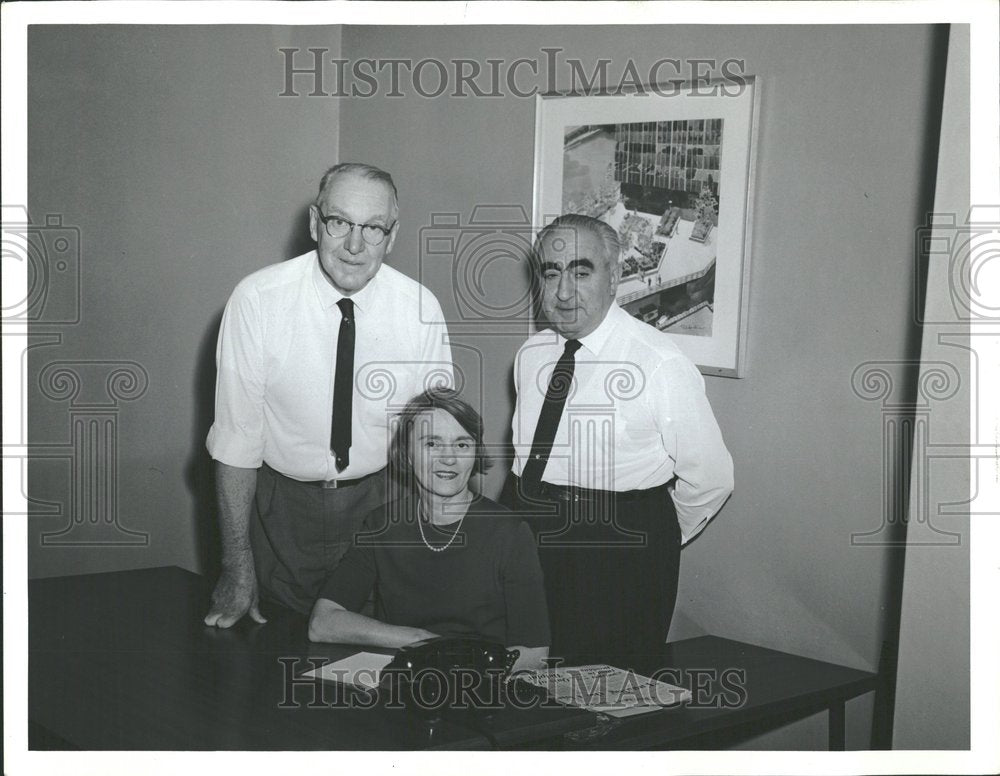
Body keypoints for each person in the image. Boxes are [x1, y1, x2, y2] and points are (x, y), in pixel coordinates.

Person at [204, 163, 453, 626]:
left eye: (373, 228)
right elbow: (237, 445)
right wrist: (237, 567)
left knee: (378, 670)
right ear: (315, 223)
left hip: (383, 508)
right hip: (282, 517)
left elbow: (436, 446)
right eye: (340, 223)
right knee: (274, 665)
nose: (355, 246)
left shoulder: (421, 309)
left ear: (391, 236)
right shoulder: (257, 300)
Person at [501, 213, 733, 665]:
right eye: (552, 272)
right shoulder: (531, 355)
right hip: (529, 536)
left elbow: (712, 478)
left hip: (617, 555)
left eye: (581, 271)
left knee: (606, 700)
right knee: (520, 682)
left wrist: (651, 538)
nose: (564, 291)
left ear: (615, 276)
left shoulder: (658, 363)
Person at [309, 388, 550, 673]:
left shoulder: (509, 533)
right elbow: (322, 622)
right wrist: (418, 640)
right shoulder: (381, 524)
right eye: (432, 444)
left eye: (462, 445)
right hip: (403, 682)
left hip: (480, 689)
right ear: (407, 455)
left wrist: (454, 662)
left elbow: (536, 653)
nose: (449, 457)